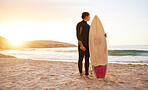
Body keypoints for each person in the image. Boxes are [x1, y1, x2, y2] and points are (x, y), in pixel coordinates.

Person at [76, 12, 107, 77]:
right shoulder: (80, 24)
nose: (89, 17)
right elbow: (78, 35)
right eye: (89, 16)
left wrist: (103, 35)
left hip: (89, 45)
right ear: (86, 16)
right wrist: (81, 45)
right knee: (81, 58)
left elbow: (93, 36)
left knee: (87, 59)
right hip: (82, 45)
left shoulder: (89, 26)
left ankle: (87, 73)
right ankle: (81, 73)